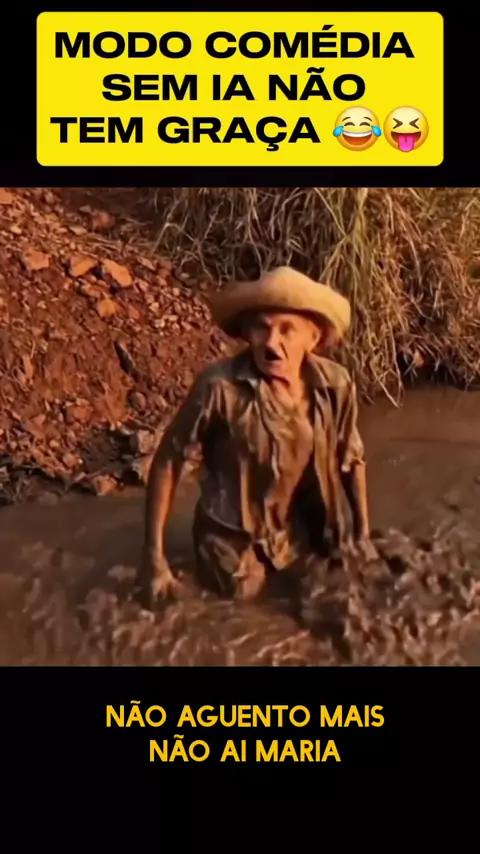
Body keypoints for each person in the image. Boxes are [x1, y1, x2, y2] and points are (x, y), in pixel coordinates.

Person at [139, 266, 376, 608]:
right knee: (243, 606)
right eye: (262, 328)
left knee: (329, 594)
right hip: (234, 540)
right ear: (248, 333)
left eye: (287, 330)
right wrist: (154, 558)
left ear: (312, 339)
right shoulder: (219, 388)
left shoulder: (335, 385)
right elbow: (169, 460)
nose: (271, 342)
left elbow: (351, 458)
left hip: (302, 529)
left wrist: (362, 535)